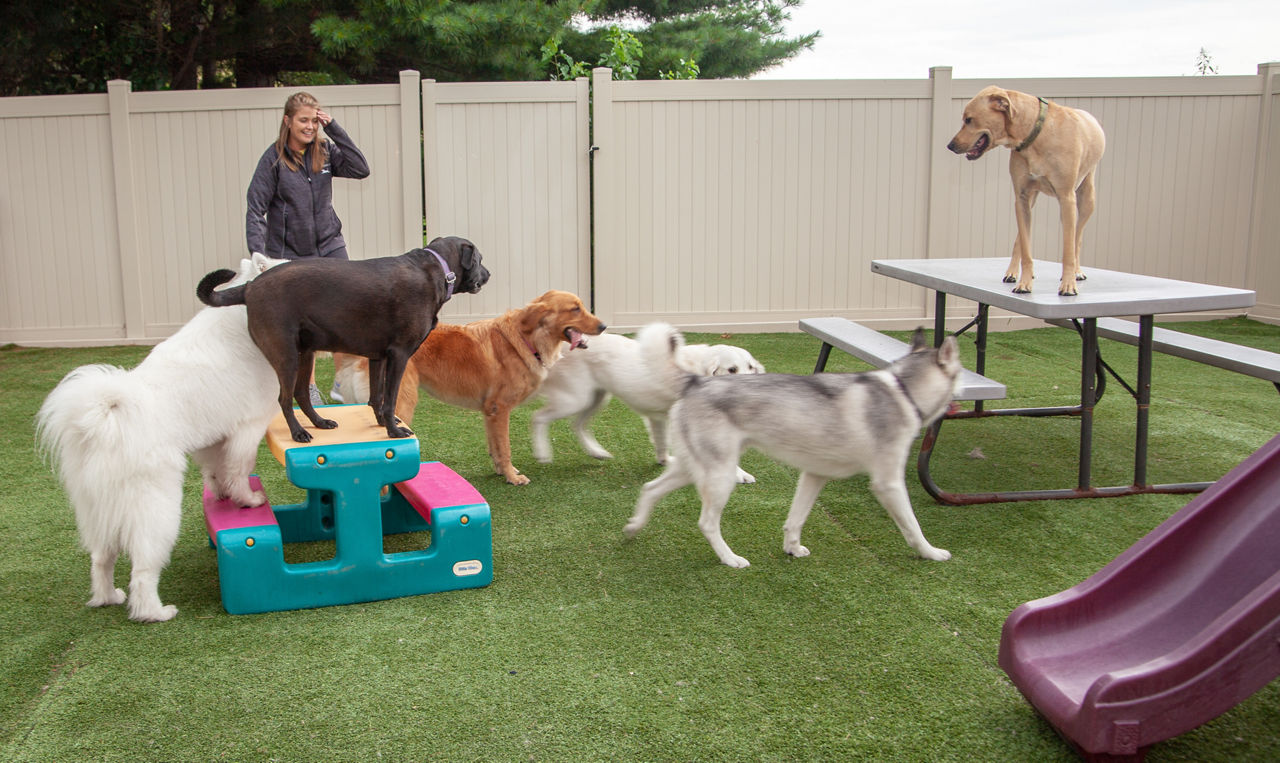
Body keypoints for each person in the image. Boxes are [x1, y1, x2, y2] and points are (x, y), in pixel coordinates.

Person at [246, 91, 370, 404]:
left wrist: (335, 128)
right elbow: (255, 208)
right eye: (304, 120)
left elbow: (360, 168)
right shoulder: (273, 160)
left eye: (314, 120)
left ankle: (342, 384)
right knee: (303, 326)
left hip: (329, 246)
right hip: (290, 254)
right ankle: (309, 387)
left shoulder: (325, 151)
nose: (310, 126)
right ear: (287, 121)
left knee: (348, 313)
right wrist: (258, 257)